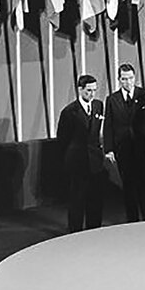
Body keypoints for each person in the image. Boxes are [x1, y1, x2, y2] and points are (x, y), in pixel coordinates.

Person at [103, 64, 145, 222]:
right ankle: (132, 220)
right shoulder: (112, 99)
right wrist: (109, 149)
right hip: (123, 149)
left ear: (135, 78)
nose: (128, 82)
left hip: (142, 148)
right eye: (124, 79)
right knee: (128, 185)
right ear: (119, 80)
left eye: (130, 78)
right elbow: (109, 125)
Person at [57, 74, 107, 232]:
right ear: (80, 90)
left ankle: (95, 230)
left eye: (94, 90)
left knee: (95, 199)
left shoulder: (99, 105)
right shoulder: (69, 112)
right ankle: (75, 232)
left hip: (95, 162)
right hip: (77, 162)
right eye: (88, 90)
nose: (92, 94)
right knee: (77, 200)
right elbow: (62, 140)